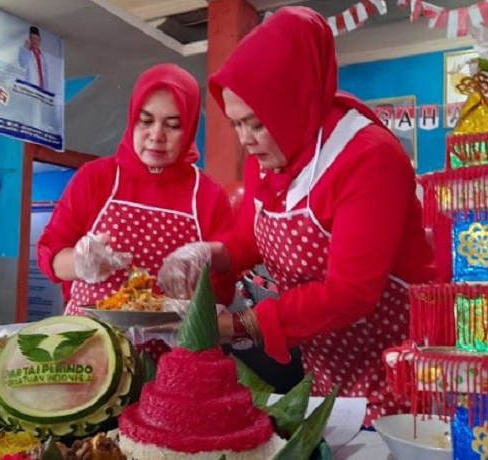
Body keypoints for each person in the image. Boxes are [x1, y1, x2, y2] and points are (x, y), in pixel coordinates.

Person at [157, 7, 435, 426]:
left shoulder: (368, 157)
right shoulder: (268, 160)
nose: (245, 141)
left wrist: (240, 325)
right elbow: (253, 237)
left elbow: (351, 293)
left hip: (399, 372)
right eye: (236, 124)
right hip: (327, 372)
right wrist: (212, 253)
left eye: (256, 124)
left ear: (294, 101)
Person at [37, 63, 234, 361]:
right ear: (132, 120)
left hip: (174, 356)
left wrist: (205, 267)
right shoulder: (96, 178)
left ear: (191, 127)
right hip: (90, 350)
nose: (157, 135)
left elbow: (224, 288)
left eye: (173, 124)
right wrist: (81, 263)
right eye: (146, 121)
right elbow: (49, 256)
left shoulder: (207, 195)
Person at [18, 26, 50, 91]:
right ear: (30, 39)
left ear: (40, 41)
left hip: (42, 89)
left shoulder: (42, 56)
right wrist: (25, 50)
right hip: (30, 86)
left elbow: (46, 74)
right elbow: (22, 64)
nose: (35, 41)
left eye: (37, 39)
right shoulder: (24, 50)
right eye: (32, 38)